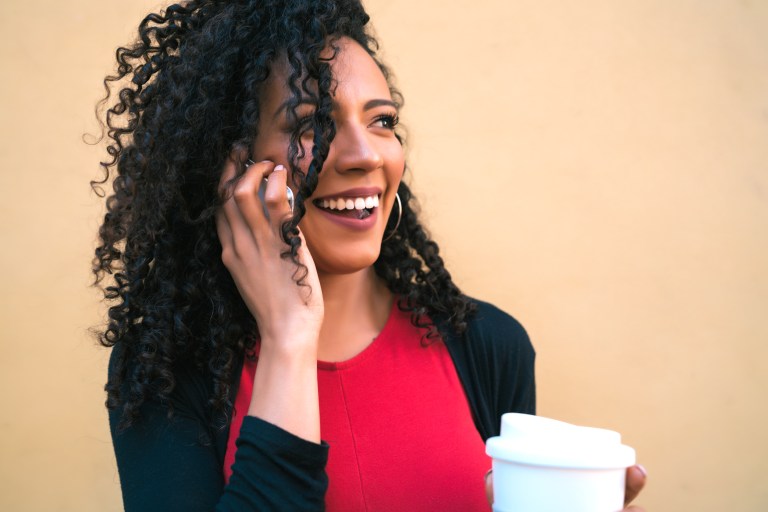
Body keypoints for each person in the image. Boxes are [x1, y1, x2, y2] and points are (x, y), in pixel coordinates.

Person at [92, 0, 647, 510]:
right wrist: (289, 335)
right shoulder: (166, 370)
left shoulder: (488, 347)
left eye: (381, 121)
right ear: (233, 168)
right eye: (312, 124)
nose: (363, 155)